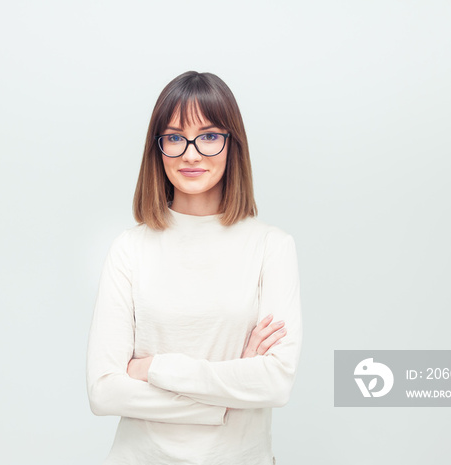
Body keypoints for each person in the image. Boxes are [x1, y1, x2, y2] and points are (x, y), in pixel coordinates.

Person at [86, 71, 302, 465]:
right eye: (174, 138)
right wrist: (224, 399)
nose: (190, 153)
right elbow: (104, 392)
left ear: (232, 144)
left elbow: (275, 384)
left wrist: (152, 368)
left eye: (209, 136)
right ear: (158, 148)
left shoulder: (272, 247)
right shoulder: (129, 249)